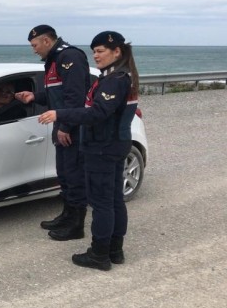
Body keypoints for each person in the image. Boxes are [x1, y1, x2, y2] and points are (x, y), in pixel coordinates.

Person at [37, 31, 139, 270]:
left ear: (117, 52)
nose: (96, 56)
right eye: (94, 51)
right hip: (115, 145)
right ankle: (115, 250)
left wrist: (60, 114)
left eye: (101, 51)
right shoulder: (123, 76)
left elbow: (97, 113)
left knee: (102, 203)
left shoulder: (115, 79)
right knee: (114, 200)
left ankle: (99, 254)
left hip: (102, 148)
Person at [14, 25, 90, 241]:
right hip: (62, 125)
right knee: (64, 174)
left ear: (46, 41)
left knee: (74, 176)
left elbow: (75, 98)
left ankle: (76, 226)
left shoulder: (69, 57)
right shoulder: (54, 60)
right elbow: (56, 96)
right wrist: (34, 97)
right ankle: (67, 216)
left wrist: (66, 127)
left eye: (34, 45)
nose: (34, 50)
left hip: (72, 127)